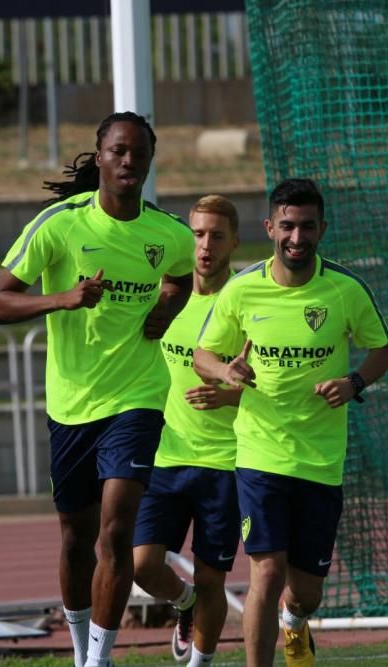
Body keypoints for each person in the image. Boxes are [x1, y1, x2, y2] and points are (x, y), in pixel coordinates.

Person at [0, 111, 195, 667]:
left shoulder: (168, 233)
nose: (129, 161)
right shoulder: (58, 225)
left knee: (116, 533)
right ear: (100, 156)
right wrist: (63, 299)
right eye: (118, 151)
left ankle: (98, 661)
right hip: (72, 403)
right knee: (77, 541)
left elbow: (182, 277)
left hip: (137, 397)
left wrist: (168, 307)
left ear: (150, 160)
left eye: (139, 153)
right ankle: (81, 653)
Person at [194, 178, 388, 667]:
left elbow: (384, 349)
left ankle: (294, 619)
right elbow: (203, 355)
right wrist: (226, 371)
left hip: (321, 459)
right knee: (266, 571)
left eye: (307, 226)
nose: (296, 237)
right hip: (260, 453)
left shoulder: (345, 290)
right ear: (270, 228)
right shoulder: (242, 290)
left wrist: (354, 382)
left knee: (306, 592)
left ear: (322, 229)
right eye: (287, 226)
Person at [132, 195, 243, 667]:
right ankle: (184, 603)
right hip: (165, 455)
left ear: (234, 242)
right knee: (141, 566)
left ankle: (201, 662)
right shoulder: (165, 298)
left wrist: (231, 396)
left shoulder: (247, 301)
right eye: (198, 234)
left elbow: (277, 385)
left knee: (213, 578)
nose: (205, 245)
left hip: (225, 462)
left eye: (217, 235)